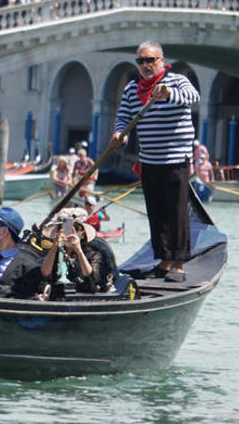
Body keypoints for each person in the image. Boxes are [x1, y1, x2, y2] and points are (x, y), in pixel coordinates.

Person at [110, 41, 200, 283]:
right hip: (149, 159)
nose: (145, 65)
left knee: (176, 212)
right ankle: (163, 259)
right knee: (156, 212)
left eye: (150, 60)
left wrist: (169, 94)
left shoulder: (177, 80)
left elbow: (193, 97)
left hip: (175, 157)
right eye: (141, 61)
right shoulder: (132, 89)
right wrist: (120, 134)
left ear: (161, 61)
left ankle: (178, 263)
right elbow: (124, 117)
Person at [40, 213, 115, 294]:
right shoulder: (54, 254)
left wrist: (78, 251)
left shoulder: (93, 255)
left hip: (84, 293)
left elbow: (93, 280)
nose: (68, 234)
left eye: (74, 229)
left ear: (82, 235)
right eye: (65, 229)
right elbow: (44, 274)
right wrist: (54, 248)